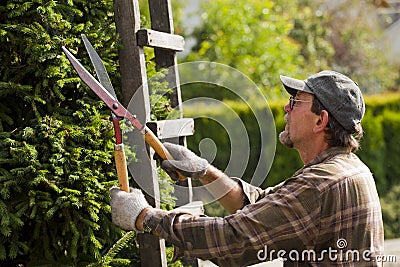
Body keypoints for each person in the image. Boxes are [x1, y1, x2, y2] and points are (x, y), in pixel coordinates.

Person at [110, 70, 384, 266]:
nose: (287, 109)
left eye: (296, 102)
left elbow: (234, 240)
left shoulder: (319, 184)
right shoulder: (346, 169)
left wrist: (144, 217)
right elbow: (264, 207)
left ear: (320, 121)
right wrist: (204, 170)